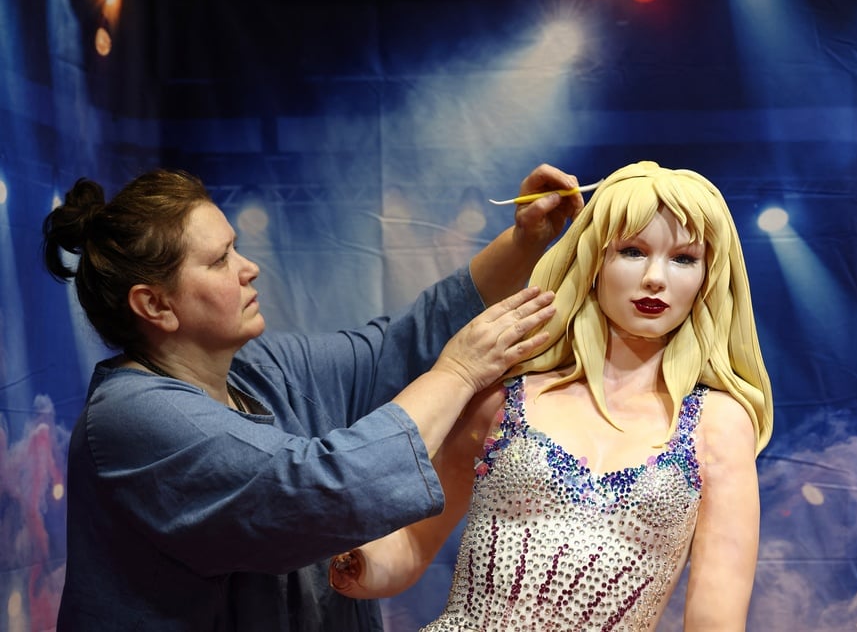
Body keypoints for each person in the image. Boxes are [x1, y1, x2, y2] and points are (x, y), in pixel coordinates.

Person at [41, 163, 584, 631]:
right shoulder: (130, 420)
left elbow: (397, 347)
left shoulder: (255, 369)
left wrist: (525, 239)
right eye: (220, 259)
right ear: (154, 305)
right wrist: (462, 370)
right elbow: (315, 489)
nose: (248, 267)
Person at [329, 160, 774, 631]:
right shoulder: (504, 398)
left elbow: (715, 616)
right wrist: (349, 562)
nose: (655, 279)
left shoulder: (719, 423)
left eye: (684, 259)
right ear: (594, 260)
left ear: (708, 276)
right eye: (633, 251)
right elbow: (416, 541)